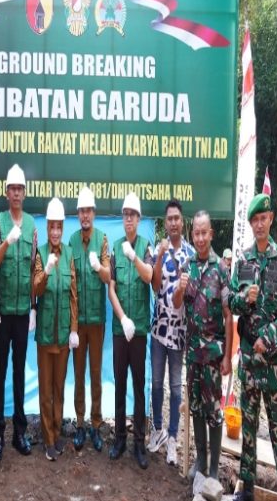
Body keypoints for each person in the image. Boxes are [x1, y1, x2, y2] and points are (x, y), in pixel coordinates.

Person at [229, 194, 277, 501]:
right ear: (251, 224)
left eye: (263, 218)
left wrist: (269, 336)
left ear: (271, 219)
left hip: (273, 365)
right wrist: (244, 300)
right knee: (247, 427)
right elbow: (230, 301)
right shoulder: (243, 261)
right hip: (248, 362)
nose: (259, 224)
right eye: (254, 220)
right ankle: (245, 488)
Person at [173, 210, 234, 484]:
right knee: (196, 407)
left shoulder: (221, 268)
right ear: (192, 235)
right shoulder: (186, 266)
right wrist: (179, 287)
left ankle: (213, 466)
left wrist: (227, 358)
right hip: (193, 354)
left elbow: (229, 314)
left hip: (213, 355)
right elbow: (176, 304)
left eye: (203, 232)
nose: (199, 238)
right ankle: (200, 457)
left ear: (211, 234)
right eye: (195, 233)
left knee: (214, 412)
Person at [0, 164, 38, 461]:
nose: (16, 193)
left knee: (20, 371)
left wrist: (33, 307)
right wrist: (7, 241)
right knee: (1, 372)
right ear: (6, 193)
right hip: (3, 313)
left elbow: (33, 268)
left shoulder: (32, 224)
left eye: (20, 189)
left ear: (24, 193)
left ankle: (19, 431)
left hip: (22, 313)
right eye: (13, 189)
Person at [107, 192, 154, 469]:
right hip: (120, 327)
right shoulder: (115, 246)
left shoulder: (146, 246)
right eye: (125, 215)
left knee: (138, 385)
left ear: (139, 219)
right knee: (120, 385)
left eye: (133, 215)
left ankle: (139, 443)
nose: (128, 220)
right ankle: (119, 440)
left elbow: (148, 275)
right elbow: (111, 287)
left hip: (139, 330)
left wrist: (134, 256)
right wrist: (122, 318)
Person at [31, 197, 79, 462]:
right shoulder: (40, 254)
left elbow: (73, 295)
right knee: (46, 388)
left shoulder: (70, 253)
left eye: (59, 227)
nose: (56, 232)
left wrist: (73, 328)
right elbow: (36, 289)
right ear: (48, 228)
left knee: (60, 387)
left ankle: (57, 432)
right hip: (45, 335)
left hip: (63, 335)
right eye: (52, 227)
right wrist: (46, 270)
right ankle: (48, 439)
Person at [149, 199, 195, 465]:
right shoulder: (159, 248)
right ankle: (158, 431)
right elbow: (155, 286)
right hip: (158, 329)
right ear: (165, 223)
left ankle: (174, 439)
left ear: (182, 220)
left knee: (176, 387)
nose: (174, 223)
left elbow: (186, 296)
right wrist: (159, 258)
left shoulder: (189, 254)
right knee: (156, 383)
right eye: (169, 219)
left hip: (178, 332)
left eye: (177, 218)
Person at [68, 187, 111, 452]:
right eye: (81, 211)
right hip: (78, 322)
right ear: (78, 214)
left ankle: (96, 426)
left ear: (94, 214)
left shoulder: (103, 240)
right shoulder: (71, 241)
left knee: (95, 374)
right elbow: (69, 284)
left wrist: (98, 266)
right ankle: (81, 425)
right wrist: (71, 326)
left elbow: (108, 278)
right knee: (78, 375)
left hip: (97, 321)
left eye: (89, 210)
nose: (85, 215)